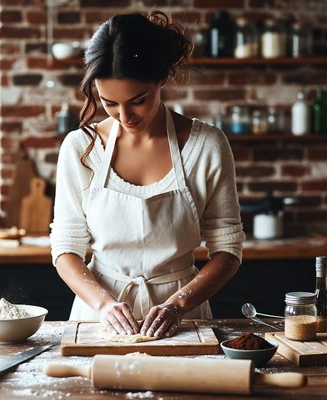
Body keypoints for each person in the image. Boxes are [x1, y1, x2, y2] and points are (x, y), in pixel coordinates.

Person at [50, 11, 245, 339]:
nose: (125, 116)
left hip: (185, 320)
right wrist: (103, 304)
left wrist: (179, 305)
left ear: (162, 79)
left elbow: (228, 248)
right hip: (98, 318)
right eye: (109, 102)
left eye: (138, 101)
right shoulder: (79, 148)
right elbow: (65, 248)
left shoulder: (207, 146)